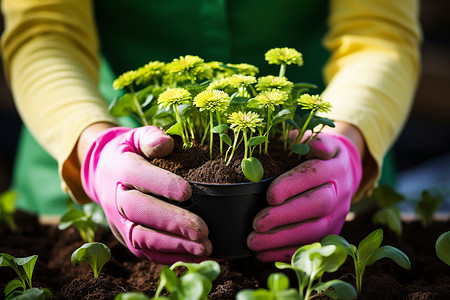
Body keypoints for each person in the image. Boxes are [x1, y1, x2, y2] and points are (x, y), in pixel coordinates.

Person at [1, 0, 421, 264]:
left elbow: (379, 34)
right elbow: (45, 32)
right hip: (91, 137)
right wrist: (90, 146)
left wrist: (347, 139)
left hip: (315, 166)